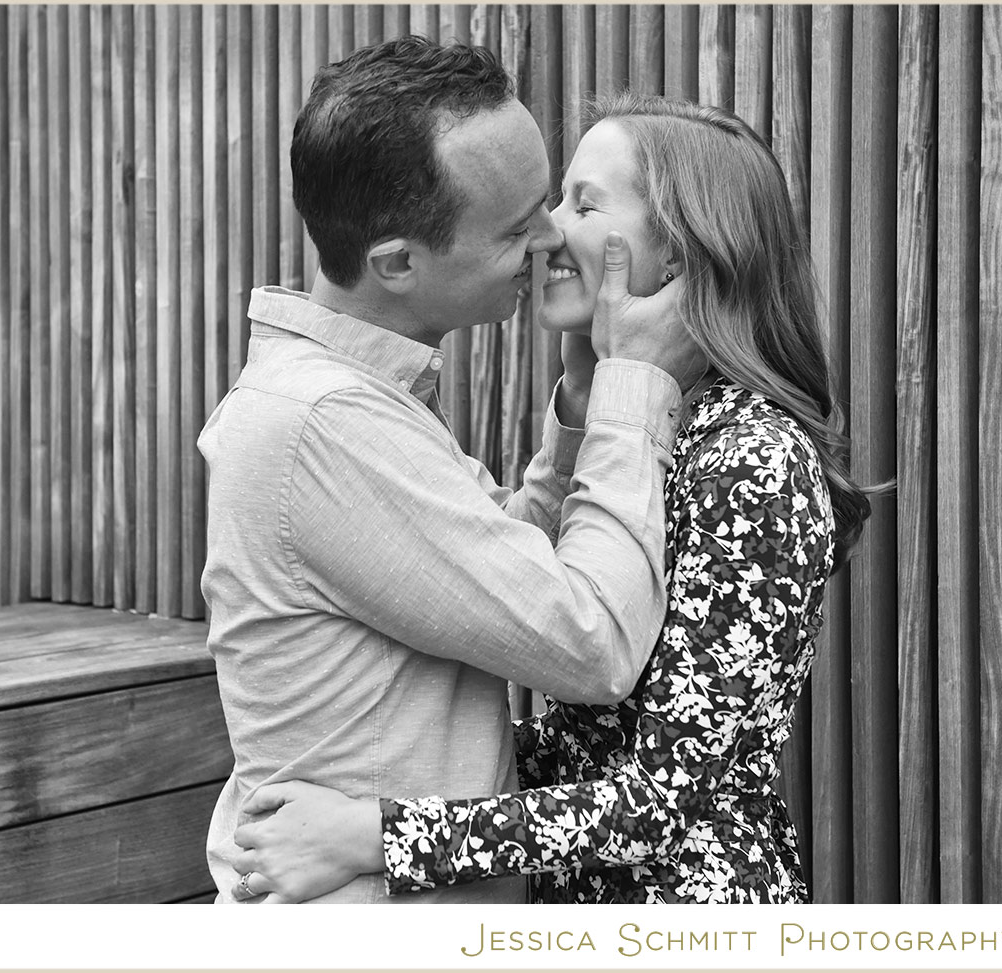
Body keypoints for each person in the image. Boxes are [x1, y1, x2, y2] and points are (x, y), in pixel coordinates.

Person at [227, 93, 875, 904]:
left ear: (676, 257)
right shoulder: (636, 432)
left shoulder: (756, 462)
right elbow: (584, 744)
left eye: (583, 203)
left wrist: (376, 832)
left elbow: (658, 800)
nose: (548, 232)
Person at [198, 41, 701, 904]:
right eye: (517, 227)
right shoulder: (327, 426)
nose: (551, 240)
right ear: (397, 262)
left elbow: (502, 572)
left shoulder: (357, 398)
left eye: (554, 203)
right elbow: (592, 641)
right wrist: (632, 386)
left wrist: (582, 401)